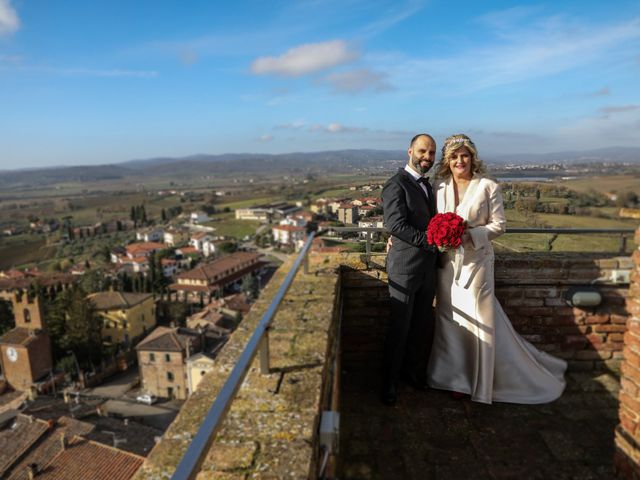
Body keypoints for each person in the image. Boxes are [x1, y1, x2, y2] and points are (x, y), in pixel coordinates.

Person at [426, 134, 567, 404]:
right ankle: (453, 379)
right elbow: (430, 221)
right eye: (454, 156)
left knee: (480, 320)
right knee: (450, 320)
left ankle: (481, 383)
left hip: (477, 264)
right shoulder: (439, 185)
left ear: (472, 157)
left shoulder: (488, 186)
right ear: (447, 160)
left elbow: (499, 225)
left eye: (464, 155)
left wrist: (469, 234)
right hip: (446, 265)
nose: (459, 160)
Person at [380, 133, 439, 406]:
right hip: (405, 268)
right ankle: (388, 383)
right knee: (399, 328)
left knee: (420, 326)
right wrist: (430, 242)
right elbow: (396, 225)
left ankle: (412, 374)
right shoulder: (396, 185)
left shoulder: (429, 186)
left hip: (428, 268)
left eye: (431, 153)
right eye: (422, 151)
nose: (427, 157)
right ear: (410, 152)